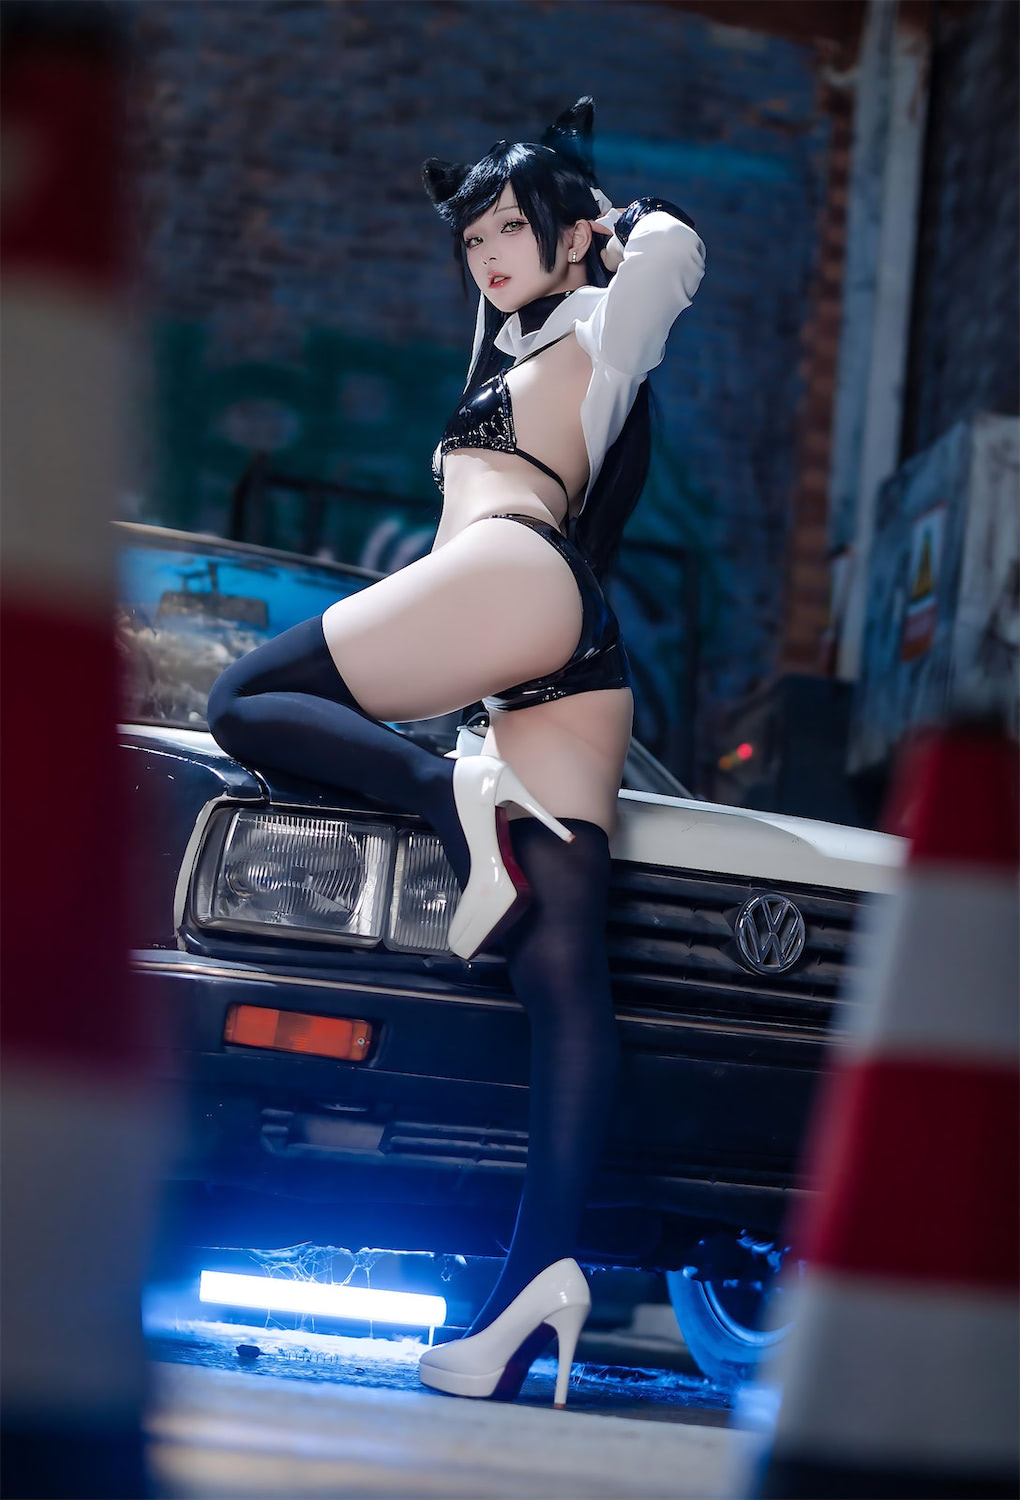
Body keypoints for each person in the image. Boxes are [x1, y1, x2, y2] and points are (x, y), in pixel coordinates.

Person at [206, 96, 706, 1408]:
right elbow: (507, 290)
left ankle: (445, 797)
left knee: (246, 697)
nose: (484, 256)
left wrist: (601, 219)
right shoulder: (513, 337)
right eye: (470, 237)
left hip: (517, 575)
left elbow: (678, 251)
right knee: (560, 970)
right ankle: (537, 1287)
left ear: (569, 234)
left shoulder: (608, 324)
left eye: (507, 231)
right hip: (566, 655)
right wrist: (539, 215)